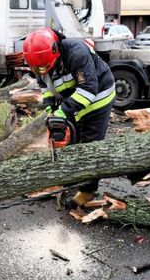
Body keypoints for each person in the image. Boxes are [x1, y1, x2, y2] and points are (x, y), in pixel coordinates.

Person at [23, 27, 116, 208]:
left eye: (42, 68)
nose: (40, 71)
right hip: (73, 99)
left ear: (55, 51)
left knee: (89, 145)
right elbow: (46, 88)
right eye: (36, 69)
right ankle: (71, 178)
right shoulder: (40, 63)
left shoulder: (76, 53)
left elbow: (88, 90)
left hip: (98, 97)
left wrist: (63, 111)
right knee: (71, 142)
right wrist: (51, 110)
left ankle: (87, 191)